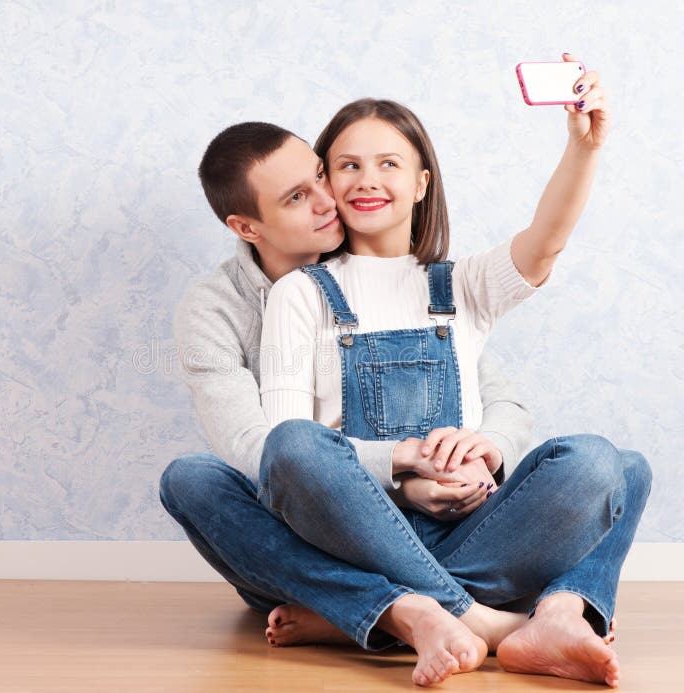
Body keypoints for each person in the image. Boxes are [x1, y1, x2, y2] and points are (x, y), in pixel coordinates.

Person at [257, 54, 650, 688]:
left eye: (389, 163)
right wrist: (404, 473)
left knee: (616, 465)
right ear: (327, 182)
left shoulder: (463, 284)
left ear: (420, 183)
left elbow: (544, 242)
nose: (367, 178)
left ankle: (377, 611)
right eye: (348, 165)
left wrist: (584, 148)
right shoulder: (302, 293)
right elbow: (284, 450)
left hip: (476, 528)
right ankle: (516, 617)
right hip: (355, 529)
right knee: (289, 447)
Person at [159, 114, 536, 677]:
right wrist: (402, 467)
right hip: (308, 533)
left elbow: (496, 393)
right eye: (295, 198)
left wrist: (481, 450)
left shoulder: (399, 274)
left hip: (434, 523)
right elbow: (260, 451)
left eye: (319, 175)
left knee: (607, 469)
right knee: (190, 479)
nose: (327, 200)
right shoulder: (215, 310)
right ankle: (454, 613)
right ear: (247, 227)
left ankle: (359, 613)